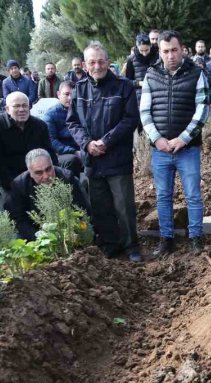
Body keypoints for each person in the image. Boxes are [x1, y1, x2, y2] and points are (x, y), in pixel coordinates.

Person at [67, 42, 141, 262]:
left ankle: (131, 247)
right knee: (101, 207)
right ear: (84, 64)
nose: (97, 66)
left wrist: (106, 142)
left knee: (124, 206)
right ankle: (111, 244)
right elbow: (72, 122)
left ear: (108, 62)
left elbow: (130, 120)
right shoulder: (79, 89)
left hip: (117, 157)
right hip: (92, 159)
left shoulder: (123, 86)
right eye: (92, 62)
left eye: (101, 61)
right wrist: (87, 143)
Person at [140, 30, 210, 256]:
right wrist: (156, 138)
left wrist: (184, 138)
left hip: (187, 148)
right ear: (159, 51)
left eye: (174, 50)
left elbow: (203, 109)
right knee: (163, 195)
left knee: (193, 195)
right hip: (160, 150)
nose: (170, 55)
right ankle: (166, 238)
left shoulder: (197, 73)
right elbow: (144, 111)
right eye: (165, 51)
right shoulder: (151, 75)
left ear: (183, 50)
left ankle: (196, 238)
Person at [6, 148, 89, 240]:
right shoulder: (19, 185)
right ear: (30, 173)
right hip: (35, 233)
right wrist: (40, 238)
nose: (46, 176)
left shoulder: (67, 178)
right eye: (39, 173)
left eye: (48, 169)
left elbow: (81, 209)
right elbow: (18, 220)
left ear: (53, 165)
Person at [0, 92, 56, 193]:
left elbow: (50, 154)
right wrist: (13, 184)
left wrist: (53, 180)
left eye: (25, 105)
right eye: (16, 106)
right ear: (7, 109)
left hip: (38, 176)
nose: (22, 109)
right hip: (8, 178)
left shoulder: (40, 126)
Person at [44, 81, 83, 178]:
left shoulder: (82, 111)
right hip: (60, 153)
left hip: (81, 148)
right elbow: (52, 141)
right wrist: (74, 152)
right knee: (72, 160)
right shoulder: (50, 115)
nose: (70, 98)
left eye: (73, 95)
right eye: (66, 94)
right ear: (58, 95)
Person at [125, 33, 161, 103]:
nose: (144, 53)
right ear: (137, 47)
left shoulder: (158, 57)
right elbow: (128, 82)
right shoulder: (131, 59)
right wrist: (139, 83)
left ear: (150, 46)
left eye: (147, 50)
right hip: (140, 97)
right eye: (141, 51)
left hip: (156, 94)